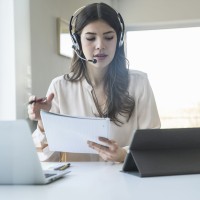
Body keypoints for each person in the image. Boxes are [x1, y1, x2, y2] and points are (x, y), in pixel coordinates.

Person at [28, 3, 161, 163]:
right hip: (76, 187)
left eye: (109, 37)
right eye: (91, 38)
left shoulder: (139, 83)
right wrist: (43, 122)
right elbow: (46, 160)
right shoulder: (59, 87)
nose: (100, 46)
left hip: (126, 185)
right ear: (77, 43)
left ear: (119, 40)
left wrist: (123, 155)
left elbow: (153, 147)